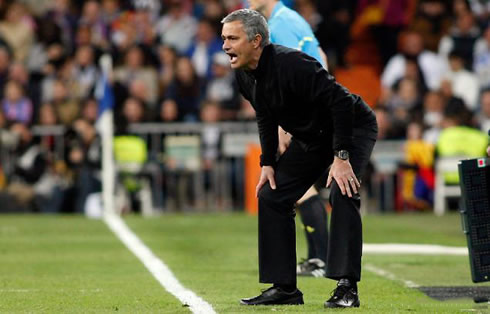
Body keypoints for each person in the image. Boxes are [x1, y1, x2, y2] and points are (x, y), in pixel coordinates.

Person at [221, 9, 378, 308]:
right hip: (313, 136)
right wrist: (268, 162)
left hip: (350, 127)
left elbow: (342, 103)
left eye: (232, 38)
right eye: (224, 38)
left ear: (256, 41)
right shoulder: (243, 74)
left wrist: (341, 157)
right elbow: (265, 114)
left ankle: (347, 287)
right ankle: (284, 288)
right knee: (271, 195)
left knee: (342, 191)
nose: (225, 45)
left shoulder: (292, 63)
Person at [248, 0, 329, 278]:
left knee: (299, 187)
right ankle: (319, 257)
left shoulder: (279, 25)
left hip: (305, 111)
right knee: (303, 187)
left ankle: (321, 259)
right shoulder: (291, 19)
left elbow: (287, 73)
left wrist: (285, 126)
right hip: (313, 107)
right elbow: (320, 57)